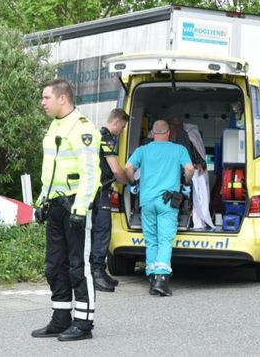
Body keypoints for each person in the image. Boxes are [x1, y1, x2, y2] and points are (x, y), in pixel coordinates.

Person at [31, 79, 100, 343]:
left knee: (77, 267)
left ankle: (84, 323)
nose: (43, 102)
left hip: (74, 206)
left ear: (62, 98)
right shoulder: (55, 126)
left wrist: (80, 209)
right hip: (56, 206)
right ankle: (61, 319)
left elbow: (90, 173)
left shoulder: (82, 128)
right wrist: (41, 202)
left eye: (46, 97)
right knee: (54, 266)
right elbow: (50, 172)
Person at [123, 120, 195, 297]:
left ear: (152, 133)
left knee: (151, 239)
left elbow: (128, 167)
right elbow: (190, 169)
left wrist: (133, 183)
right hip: (168, 202)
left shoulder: (143, 150)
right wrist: (186, 182)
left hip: (146, 201)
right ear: (169, 133)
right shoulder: (179, 149)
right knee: (165, 239)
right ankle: (161, 280)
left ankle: (151, 276)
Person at [90, 108, 130, 293]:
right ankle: (96, 274)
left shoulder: (98, 135)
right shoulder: (105, 137)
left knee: (100, 231)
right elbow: (115, 169)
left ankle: (99, 271)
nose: (121, 131)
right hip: (100, 192)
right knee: (102, 232)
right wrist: (129, 181)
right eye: (122, 127)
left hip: (97, 191)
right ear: (116, 122)